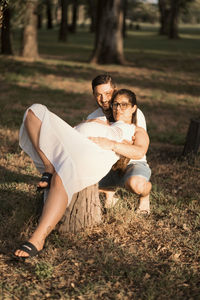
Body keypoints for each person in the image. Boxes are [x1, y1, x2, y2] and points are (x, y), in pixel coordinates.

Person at [14, 89, 149, 259]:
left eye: (124, 105)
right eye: (116, 104)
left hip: (94, 153)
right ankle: (49, 166)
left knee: (63, 175)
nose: (118, 108)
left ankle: (37, 239)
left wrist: (113, 144)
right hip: (74, 143)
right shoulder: (104, 121)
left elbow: (139, 151)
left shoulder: (136, 130)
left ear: (133, 108)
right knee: (34, 111)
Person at [87, 74, 151, 213]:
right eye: (98, 95)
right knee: (80, 182)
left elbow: (137, 147)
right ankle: (108, 192)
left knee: (136, 185)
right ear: (93, 95)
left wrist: (112, 144)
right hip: (107, 164)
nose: (103, 99)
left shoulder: (133, 113)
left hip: (131, 163)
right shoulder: (94, 117)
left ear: (114, 90)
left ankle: (145, 195)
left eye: (107, 93)